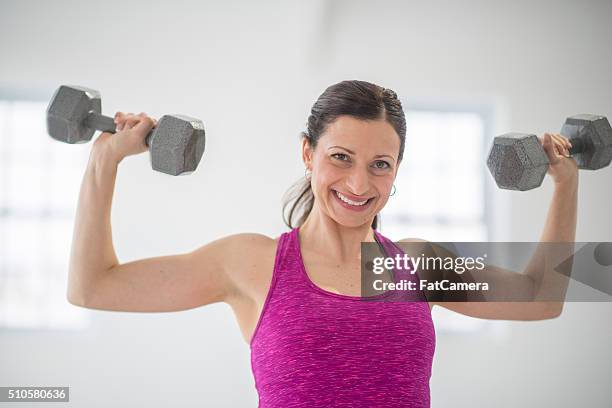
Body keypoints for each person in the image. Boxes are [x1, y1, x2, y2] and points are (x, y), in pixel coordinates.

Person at [67, 80, 578, 407]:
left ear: (396, 170)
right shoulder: (254, 263)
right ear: (307, 153)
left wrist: (566, 185)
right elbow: (93, 288)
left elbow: (542, 297)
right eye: (340, 157)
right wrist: (103, 162)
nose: (358, 185)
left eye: (380, 164)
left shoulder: (411, 265)